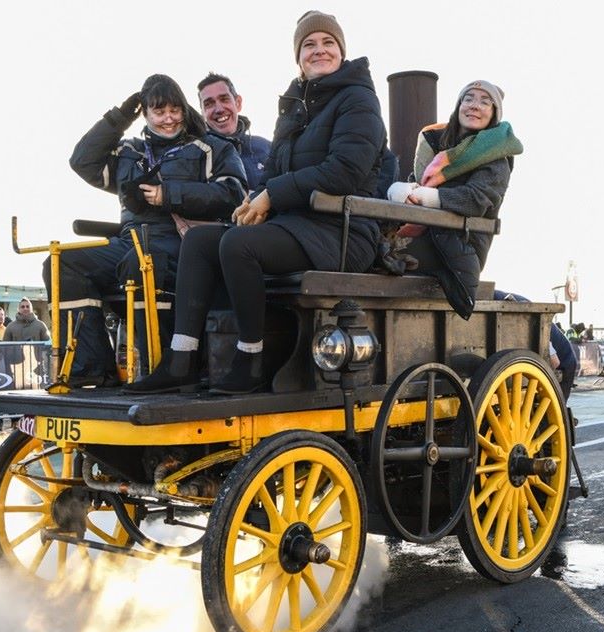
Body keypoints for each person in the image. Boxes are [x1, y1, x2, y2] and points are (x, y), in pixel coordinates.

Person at [133, 11, 385, 395]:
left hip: (343, 229)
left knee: (239, 244)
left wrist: (272, 195)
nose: (319, 50)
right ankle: (181, 358)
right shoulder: (295, 106)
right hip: (296, 224)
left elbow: (345, 171)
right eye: (309, 45)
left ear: (342, 51)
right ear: (298, 56)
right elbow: (275, 170)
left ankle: (250, 358)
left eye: (328, 43)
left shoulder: (359, 100)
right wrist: (253, 199)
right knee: (201, 241)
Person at [58, 73, 248, 388]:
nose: (169, 119)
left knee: (142, 263)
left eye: (175, 110)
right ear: (145, 113)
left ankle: (157, 367)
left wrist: (168, 195)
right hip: (129, 241)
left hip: (185, 244)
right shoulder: (128, 152)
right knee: (63, 262)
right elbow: (82, 162)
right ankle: (90, 367)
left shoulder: (209, 147)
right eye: (159, 112)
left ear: (184, 109)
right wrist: (120, 116)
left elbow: (233, 193)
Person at [386, 79, 522, 319]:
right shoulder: (439, 150)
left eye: (485, 102)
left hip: (460, 245)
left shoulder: (495, 158)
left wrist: (427, 197)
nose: (474, 105)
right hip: (428, 235)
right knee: (369, 245)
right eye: (468, 99)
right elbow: (418, 185)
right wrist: (401, 191)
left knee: (376, 258)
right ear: (459, 105)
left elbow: (477, 200)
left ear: (494, 114)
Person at [197, 73, 271, 192]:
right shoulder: (195, 156)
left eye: (224, 99)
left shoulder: (267, 148)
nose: (219, 109)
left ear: (238, 103)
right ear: (202, 113)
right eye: (209, 104)